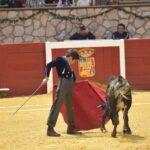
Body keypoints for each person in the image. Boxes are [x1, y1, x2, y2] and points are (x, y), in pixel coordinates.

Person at [41, 49, 81, 137]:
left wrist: (75, 80)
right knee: (57, 105)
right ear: (70, 58)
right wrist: (46, 77)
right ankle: (50, 129)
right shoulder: (60, 59)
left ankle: (71, 128)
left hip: (69, 84)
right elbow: (49, 65)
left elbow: (72, 74)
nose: (75, 62)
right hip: (63, 83)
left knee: (70, 106)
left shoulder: (68, 63)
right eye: (74, 60)